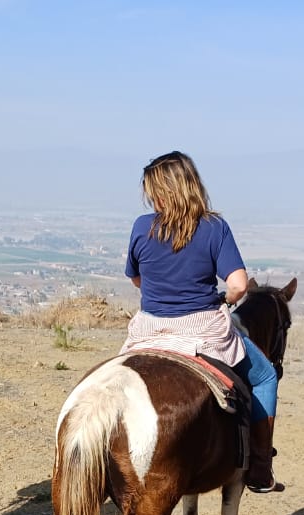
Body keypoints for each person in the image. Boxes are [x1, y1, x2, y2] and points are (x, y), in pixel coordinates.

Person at [121, 151, 283, 493]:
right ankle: (260, 466)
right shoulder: (214, 227)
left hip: (149, 328)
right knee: (265, 375)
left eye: (153, 191)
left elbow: (137, 280)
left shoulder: (141, 226)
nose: (151, 198)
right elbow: (238, 284)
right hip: (200, 330)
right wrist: (225, 299)